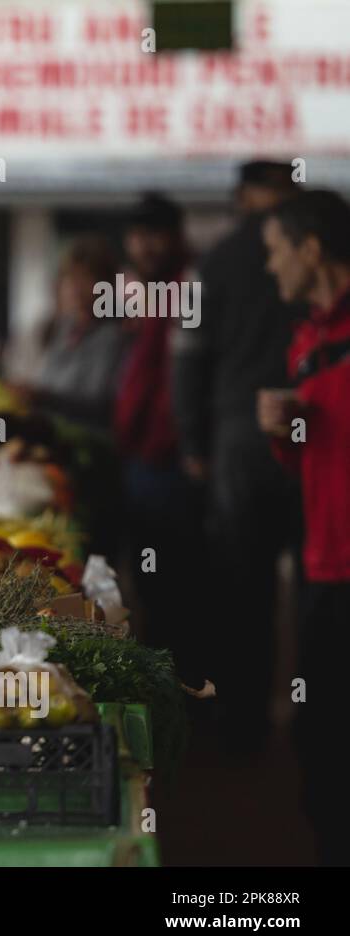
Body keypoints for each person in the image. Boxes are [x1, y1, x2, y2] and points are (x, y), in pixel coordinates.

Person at [172, 161, 303, 743]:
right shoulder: (316, 249)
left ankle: (243, 721)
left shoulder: (216, 260)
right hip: (312, 431)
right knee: (317, 583)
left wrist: (193, 442)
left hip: (239, 438)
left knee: (241, 584)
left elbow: (187, 356)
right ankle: (312, 719)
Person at [258, 189, 350, 864]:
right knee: (320, 735)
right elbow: (305, 450)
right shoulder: (307, 337)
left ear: (311, 250)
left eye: (276, 251)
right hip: (324, 558)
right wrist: (284, 429)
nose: (271, 267)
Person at [112, 194, 207, 689]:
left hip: (168, 460)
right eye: (136, 235)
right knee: (148, 580)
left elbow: (181, 384)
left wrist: (185, 447)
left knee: (173, 582)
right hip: (138, 456)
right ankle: (169, 683)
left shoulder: (188, 287)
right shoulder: (143, 293)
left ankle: (184, 690)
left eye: (154, 234)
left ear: (175, 236)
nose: (143, 245)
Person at [10, 234, 126, 430]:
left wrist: (42, 397)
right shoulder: (64, 327)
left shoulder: (115, 335)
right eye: (71, 278)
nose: (76, 288)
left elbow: (100, 402)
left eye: (87, 278)